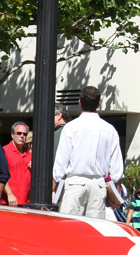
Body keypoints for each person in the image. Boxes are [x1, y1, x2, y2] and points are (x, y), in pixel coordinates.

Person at [51, 86, 124, 219]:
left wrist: (54, 186)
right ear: (99, 104)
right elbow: (116, 168)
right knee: (93, 229)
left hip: (74, 183)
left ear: (79, 102)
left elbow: (61, 161)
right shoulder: (109, 129)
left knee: (69, 228)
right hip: (98, 184)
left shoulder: (71, 128)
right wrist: (115, 187)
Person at [2, 121, 32, 206]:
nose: (22, 136)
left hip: (26, 202)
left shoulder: (30, 155)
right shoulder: (4, 151)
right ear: (12, 135)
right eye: (19, 133)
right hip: (9, 202)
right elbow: (1, 176)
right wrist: (10, 194)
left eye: (25, 134)